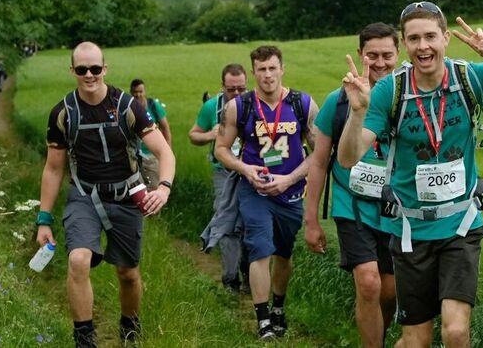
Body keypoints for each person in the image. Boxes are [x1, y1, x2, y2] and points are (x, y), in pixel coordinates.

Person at [338, 2, 483, 348]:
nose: (423, 46)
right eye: (413, 39)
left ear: (445, 39)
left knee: (455, 332)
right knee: (417, 340)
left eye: (430, 36)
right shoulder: (389, 92)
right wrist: (358, 113)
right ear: (405, 45)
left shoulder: (468, 78)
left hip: (460, 226)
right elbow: (348, 158)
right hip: (411, 232)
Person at [36, 41, 176, 348]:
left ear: (105, 69)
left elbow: (164, 152)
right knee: (78, 261)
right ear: (72, 70)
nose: (89, 75)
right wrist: (43, 219)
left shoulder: (128, 106)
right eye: (82, 69)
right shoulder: (63, 113)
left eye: (95, 69)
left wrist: (163, 188)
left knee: (127, 273)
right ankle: (84, 337)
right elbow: (54, 169)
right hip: (84, 196)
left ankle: (129, 326)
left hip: (126, 195)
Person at [304, 23, 399, 348]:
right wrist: (312, 220)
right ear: (360, 55)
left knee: (390, 291)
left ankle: (378, 336)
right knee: (369, 283)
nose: (380, 62)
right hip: (352, 204)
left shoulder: (406, 98)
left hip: (397, 208)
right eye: (372, 55)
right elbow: (318, 162)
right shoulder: (338, 101)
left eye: (387, 55)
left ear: (398, 55)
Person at [215, 46, 318, 340]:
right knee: (260, 248)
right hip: (254, 191)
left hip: (291, 192)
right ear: (253, 73)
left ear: (282, 68)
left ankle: (278, 307)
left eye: (273, 68)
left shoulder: (303, 104)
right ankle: (263, 321)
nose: (268, 75)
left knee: (283, 254)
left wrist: (289, 179)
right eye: (261, 69)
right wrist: (245, 169)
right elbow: (221, 149)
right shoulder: (239, 106)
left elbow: (321, 153)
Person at [190, 64, 250, 294]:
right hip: (223, 172)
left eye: (241, 89)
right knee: (228, 223)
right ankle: (230, 280)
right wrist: (210, 135)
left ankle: (250, 275)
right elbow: (193, 135)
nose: (236, 94)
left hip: (250, 171)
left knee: (250, 223)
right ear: (222, 86)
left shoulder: (256, 104)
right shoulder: (211, 107)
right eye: (231, 89)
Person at [129, 79, 172, 190]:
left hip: (152, 155)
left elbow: (165, 128)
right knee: (137, 191)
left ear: (145, 91)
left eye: (140, 91)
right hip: (134, 157)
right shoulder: (127, 108)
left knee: (154, 188)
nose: (138, 95)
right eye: (135, 92)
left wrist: (167, 153)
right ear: (131, 92)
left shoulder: (153, 106)